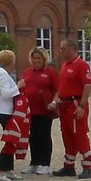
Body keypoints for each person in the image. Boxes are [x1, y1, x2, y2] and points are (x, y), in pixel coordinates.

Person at [51, 39, 91, 178]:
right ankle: (69, 166)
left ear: (72, 49)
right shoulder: (65, 65)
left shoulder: (81, 65)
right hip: (64, 104)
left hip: (75, 103)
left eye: (63, 48)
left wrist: (82, 105)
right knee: (67, 134)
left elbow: (87, 86)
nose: (61, 51)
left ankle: (88, 165)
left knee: (79, 134)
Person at [20, 46, 58, 174]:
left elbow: (58, 90)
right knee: (33, 136)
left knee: (44, 135)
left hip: (45, 110)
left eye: (39, 58)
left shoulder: (50, 72)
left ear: (44, 59)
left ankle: (45, 163)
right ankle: (34, 162)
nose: (36, 60)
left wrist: (54, 102)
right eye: (34, 58)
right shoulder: (27, 72)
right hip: (31, 111)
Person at [0, 49, 24, 181]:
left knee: (12, 140)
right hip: (5, 111)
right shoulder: (2, 75)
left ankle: (8, 169)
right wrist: (18, 86)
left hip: (4, 110)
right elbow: (6, 93)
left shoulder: (2, 73)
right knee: (11, 141)